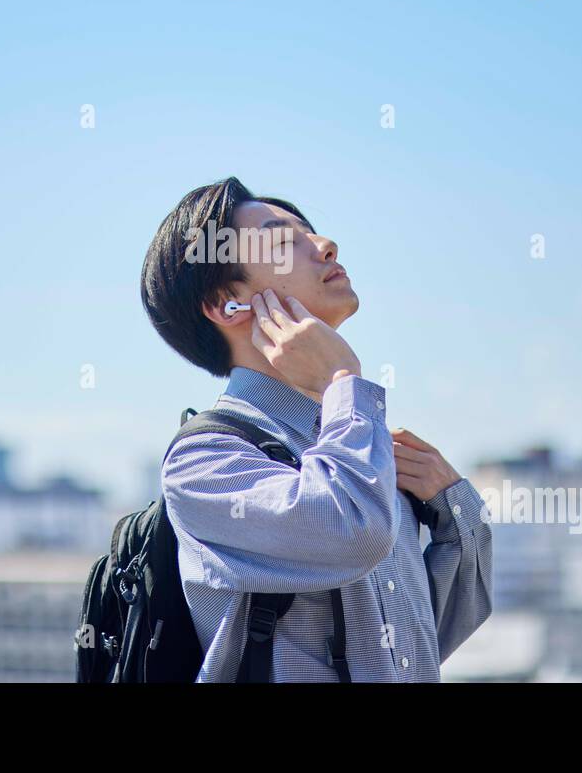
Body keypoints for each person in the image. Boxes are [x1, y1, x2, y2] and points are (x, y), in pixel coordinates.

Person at [140, 176, 493, 681]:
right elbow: (351, 533)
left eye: (314, 234)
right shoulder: (204, 460)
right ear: (227, 305)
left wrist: (454, 509)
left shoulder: (354, 440)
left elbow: (423, 643)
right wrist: (340, 380)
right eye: (286, 243)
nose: (326, 246)